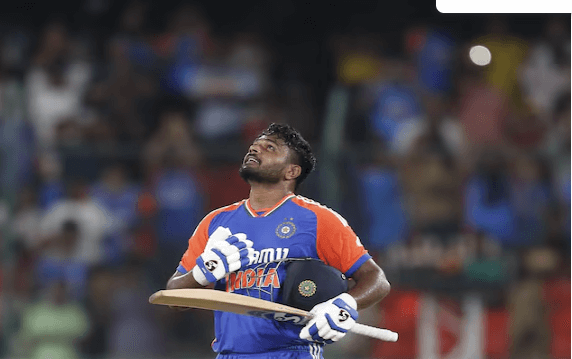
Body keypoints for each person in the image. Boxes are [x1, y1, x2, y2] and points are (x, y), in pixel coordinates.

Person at [166, 123, 391, 358]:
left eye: (269, 148)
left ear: (291, 171)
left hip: (293, 352)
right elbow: (172, 297)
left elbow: (377, 280)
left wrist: (345, 305)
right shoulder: (215, 222)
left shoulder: (318, 219)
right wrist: (199, 275)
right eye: (254, 146)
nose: (254, 150)